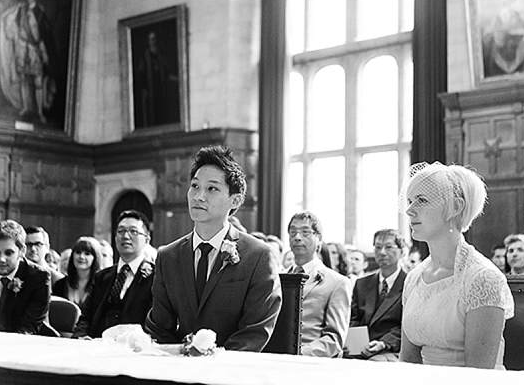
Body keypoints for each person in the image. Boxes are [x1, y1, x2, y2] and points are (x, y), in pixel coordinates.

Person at [146, 145, 282, 351]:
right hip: (177, 370)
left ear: (234, 200)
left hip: (231, 373)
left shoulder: (258, 256)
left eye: (212, 188)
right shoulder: (167, 256)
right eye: (194, 186)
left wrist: (213, 362)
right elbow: (159, 327)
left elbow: (254, 331)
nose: (198, 196)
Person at [399, 162, 514, 369]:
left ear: (456, 207)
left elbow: (479, 375)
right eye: (409, 201)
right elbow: (407, 360)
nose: (409, 210)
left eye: (422, 200)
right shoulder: (414, 278)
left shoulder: (483, 278)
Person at [73, 210, 155, 338]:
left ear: (147, 240)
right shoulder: (102, 277)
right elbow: (86, 318)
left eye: (133, 231)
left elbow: (156, 325)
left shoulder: (156, 277)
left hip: (134, 352)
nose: (126, 236)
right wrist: (81, 337)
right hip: (95, 348)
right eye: (121, 231)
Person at [288, 211, 351, 357]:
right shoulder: (279, 278)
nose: (297, 237)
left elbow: (334, 339)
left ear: (319, 239)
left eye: (305, 232)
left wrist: (298, 354)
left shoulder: (337, 283)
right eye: (293, 232)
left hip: (310, 360)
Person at [0, 220, 50, 334]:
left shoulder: (38, 278)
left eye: (8, 253)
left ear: (22, 251)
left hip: (28, 342)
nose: (1, 259)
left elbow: (29, 326)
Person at [0, 0, 56, 123]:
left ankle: (40, 111)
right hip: (23, 49)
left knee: (38, 80)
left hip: (35, 51)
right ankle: (26, 108)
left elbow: (43, 35)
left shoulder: (40, 13)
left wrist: (44, 53)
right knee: (24, 79)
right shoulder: (21, 10)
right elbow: (14, 26)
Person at [348, 229, 407, 361]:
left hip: (392, 348)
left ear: (402, 252)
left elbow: (407, 325)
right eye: (378, 247)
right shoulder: (362, 283)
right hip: (361, 348)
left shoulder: (409, 284)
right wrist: (354, 343)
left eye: (389, 247)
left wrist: (383, 343)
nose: (382, 252)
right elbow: (354, 318)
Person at [134, 31, 179, 127]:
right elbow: (141, 74)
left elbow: (166, 73)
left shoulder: (160, 55)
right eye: (151, 39)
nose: (152, 41)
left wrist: (177, 78)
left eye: (154, 39)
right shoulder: (144, 56)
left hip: (161, 89)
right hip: (150, 91)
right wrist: (144, 89)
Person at [53, 237, 101, 309]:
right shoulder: (60, 285)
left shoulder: (102, 285)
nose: (81, 257)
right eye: (78, 252)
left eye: (87, 254)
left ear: (95, 258)